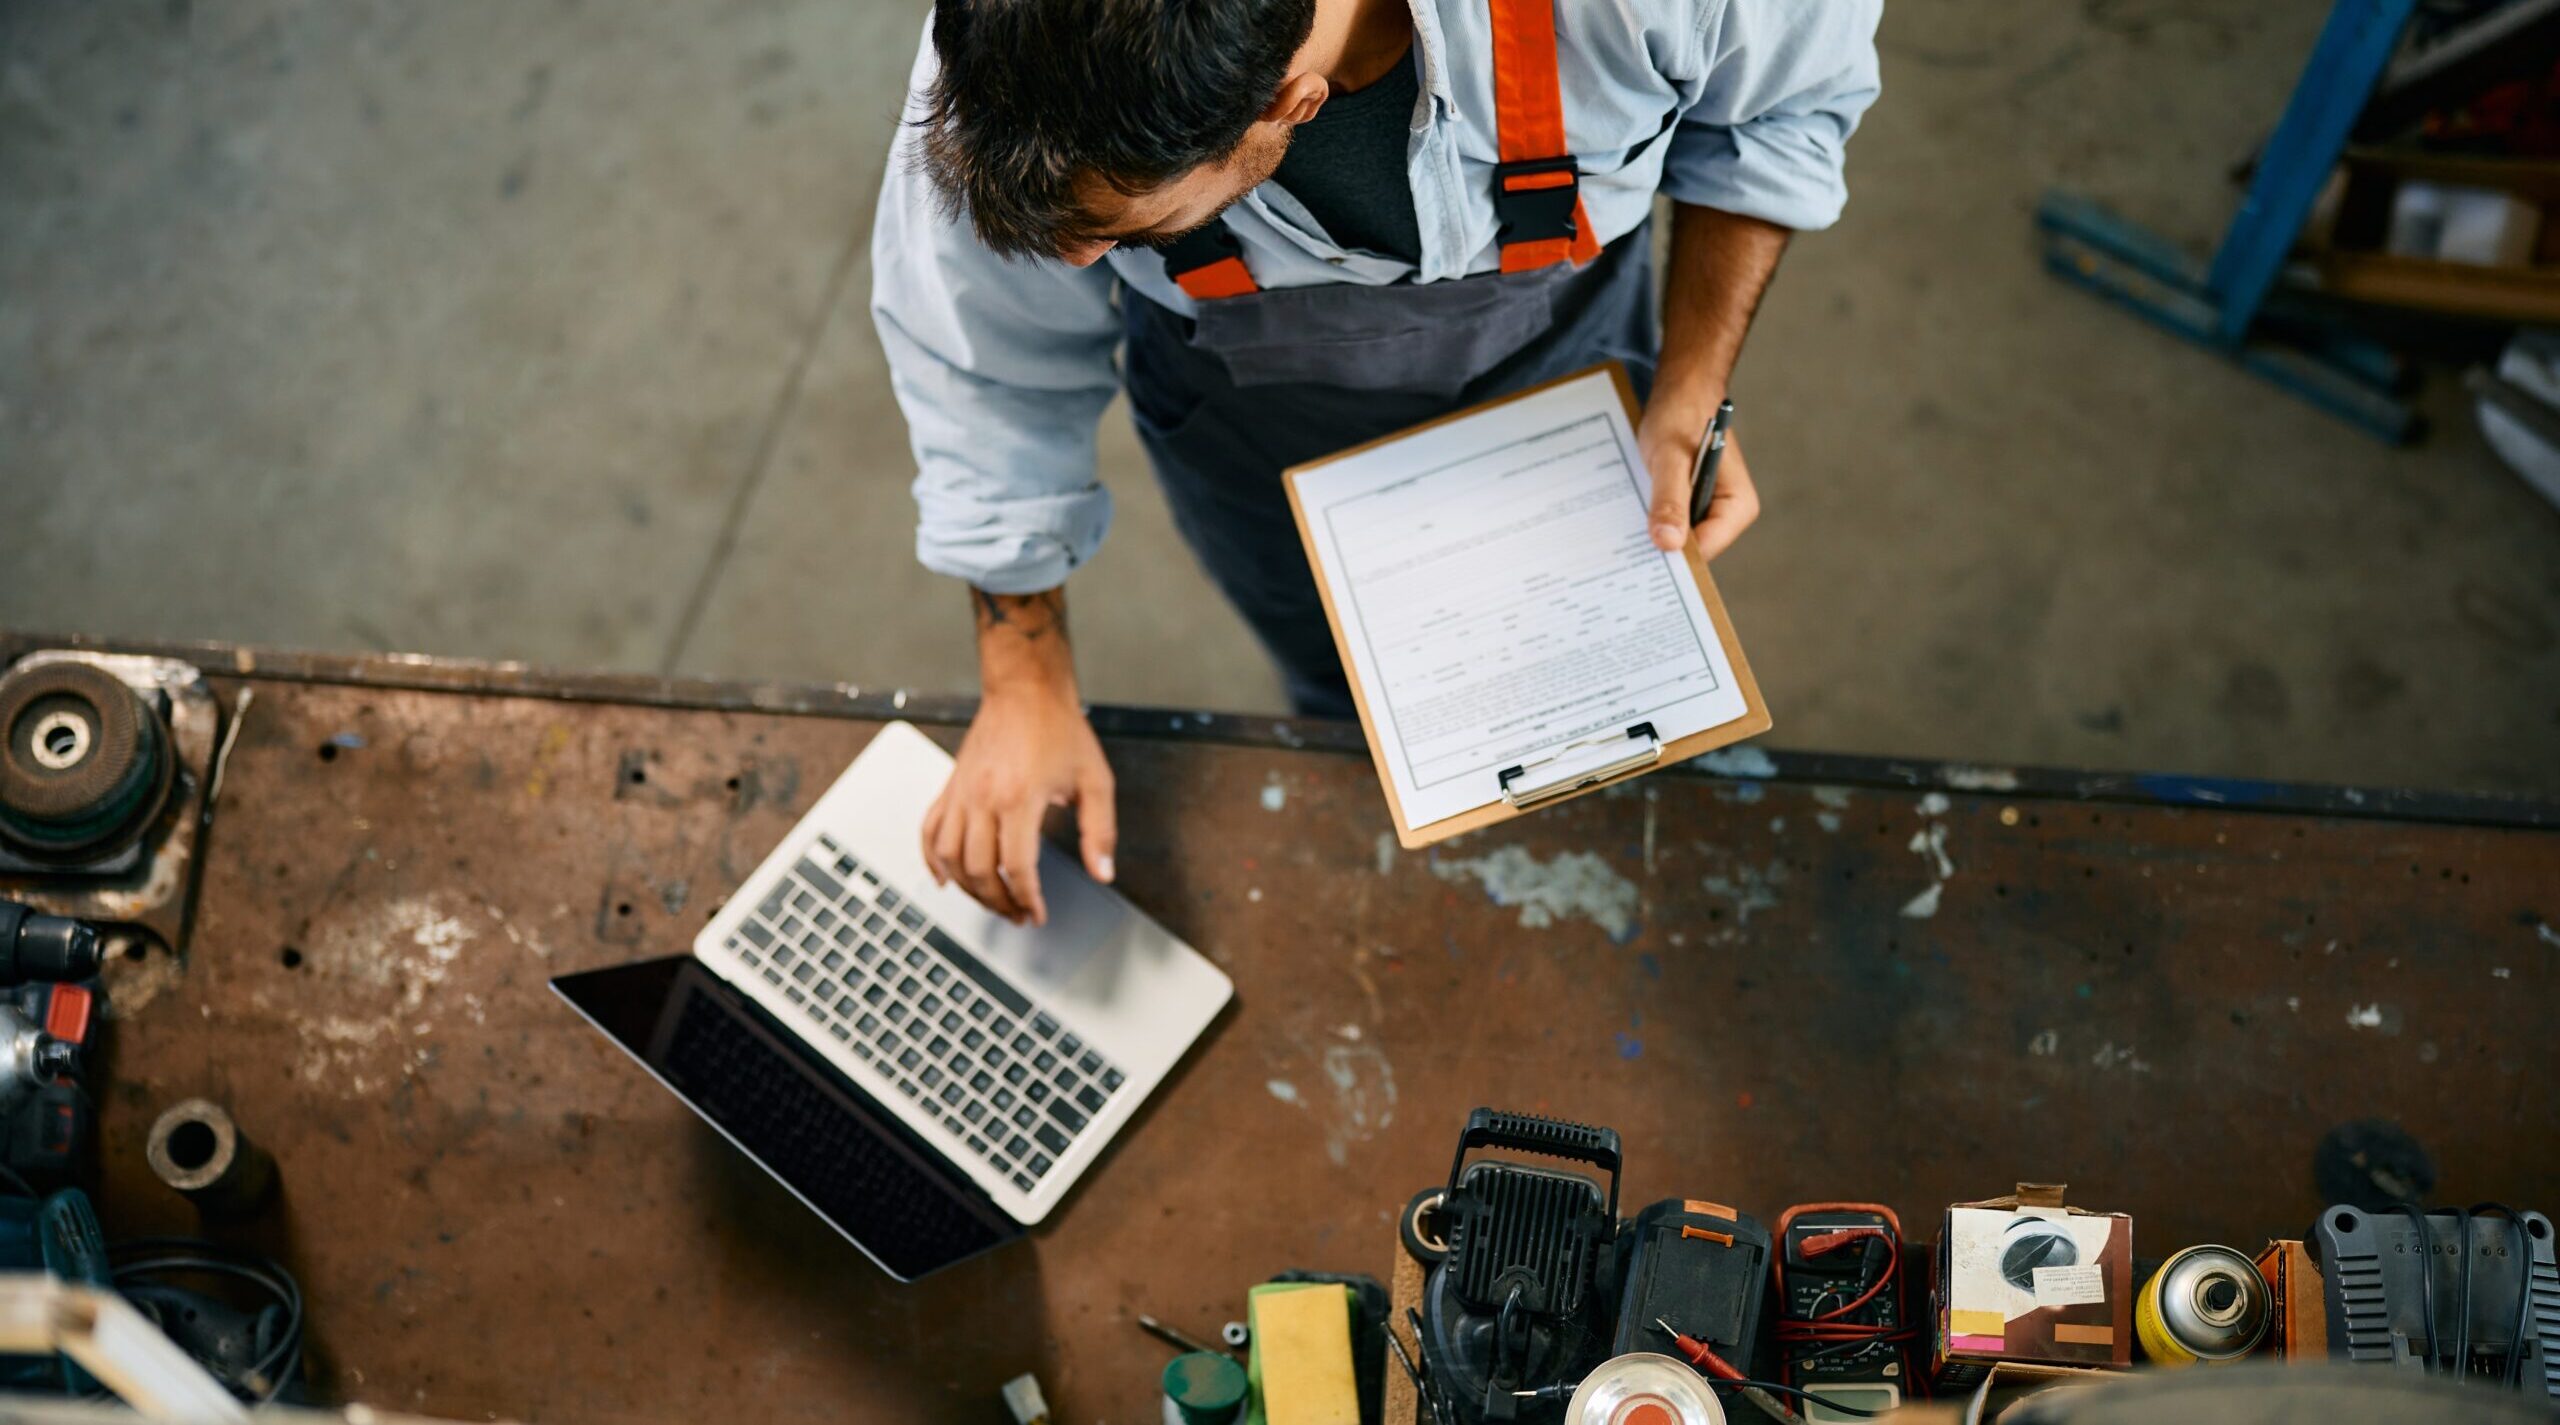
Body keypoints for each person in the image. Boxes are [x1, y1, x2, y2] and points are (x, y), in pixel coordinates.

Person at [871, 0, 1881, 923]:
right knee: (1349, 705)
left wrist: (1693, 385)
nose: (1084, 267)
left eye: (1121, 232)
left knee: (1595, 712)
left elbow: (1775, 113)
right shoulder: (1016, 52)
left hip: (1562, 350)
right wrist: (1022, 682)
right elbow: (980, 355)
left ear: (1293, 103)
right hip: (1247, 424)